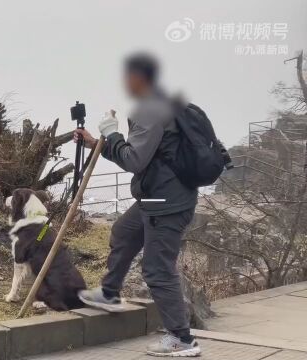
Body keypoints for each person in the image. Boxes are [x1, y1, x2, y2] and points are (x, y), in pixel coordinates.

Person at [75, 53, 201, 357]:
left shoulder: (151, 110)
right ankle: (109, 292)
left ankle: (182, 340)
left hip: (165, 203)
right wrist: (99, 144)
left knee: (157, 268)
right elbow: (144, 154)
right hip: (159, 196)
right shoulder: (165, 105)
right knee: (124, 231)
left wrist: (112, 134)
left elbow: (134, 160)